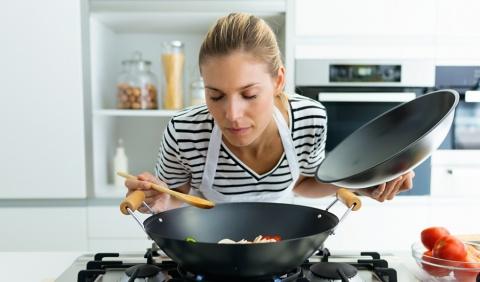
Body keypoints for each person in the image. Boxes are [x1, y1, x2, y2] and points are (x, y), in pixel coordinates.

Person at [125, 13, 415, 213]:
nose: (232, 114)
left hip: (278, 245)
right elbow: (176, 198)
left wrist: (365, 184)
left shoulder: (309, 119)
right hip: (206, 250)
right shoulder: (184, 130)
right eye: (215, 95)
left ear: (278, 81)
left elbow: (304, 183)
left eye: (249, 95)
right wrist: (158, 200)